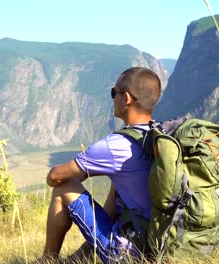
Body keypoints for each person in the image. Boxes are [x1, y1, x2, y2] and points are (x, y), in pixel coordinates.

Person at [41, 67, 162, 263]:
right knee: (117, 194)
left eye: (114, 92)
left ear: (127, 98)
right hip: (159, 247)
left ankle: (47, 260)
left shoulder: (115, 146)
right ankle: (78, 258)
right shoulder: (158, 137)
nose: (113, 97)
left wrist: (79, 174)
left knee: (63, 187)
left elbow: (55, 176)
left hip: (127, 255)